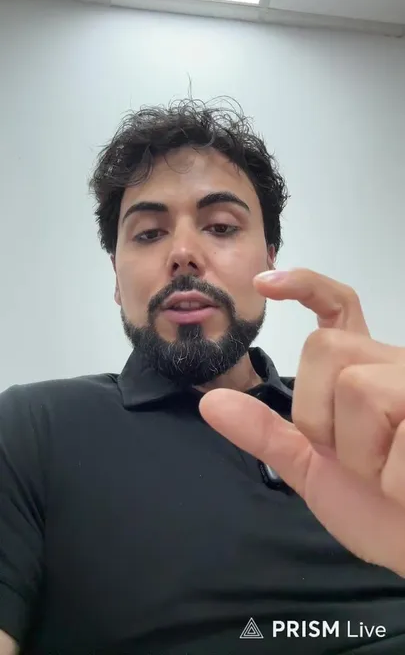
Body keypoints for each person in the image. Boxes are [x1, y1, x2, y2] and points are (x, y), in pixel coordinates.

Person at [1, 99, 405, 655]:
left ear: (270, 258)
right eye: (148, 234)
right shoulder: (31, 429)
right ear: (116, 278)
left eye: (220, 226)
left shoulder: (362, 424)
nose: (184, 254)